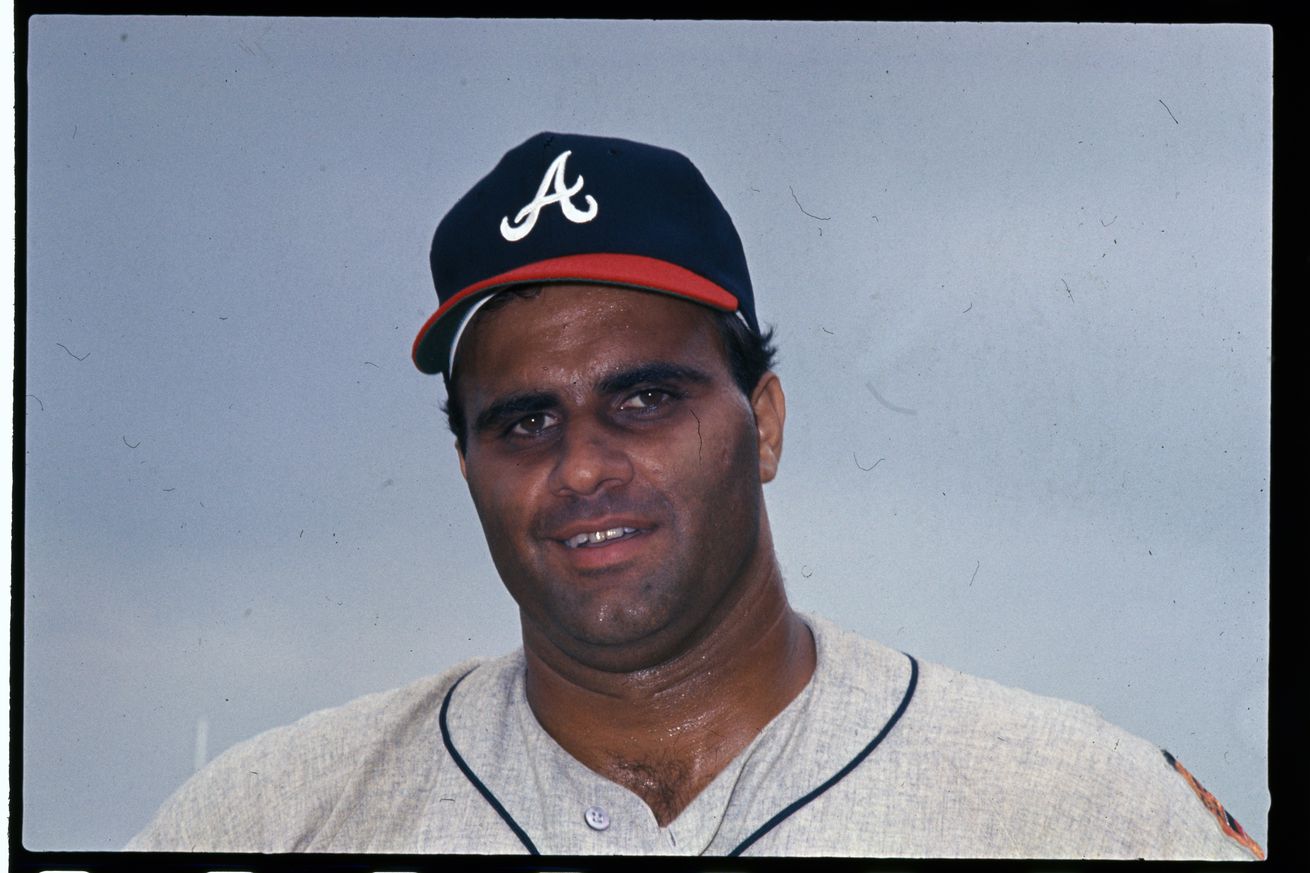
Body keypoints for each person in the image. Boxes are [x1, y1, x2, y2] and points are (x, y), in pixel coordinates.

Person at [127, 132, 1263, 859]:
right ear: (465, 464)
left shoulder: (1077, 809)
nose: (579, 469)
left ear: (760, 423)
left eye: (644, 399)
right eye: (522, 421)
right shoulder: (267, 820)